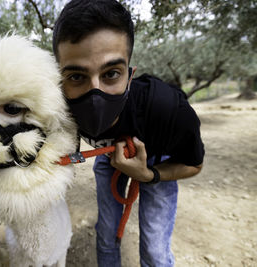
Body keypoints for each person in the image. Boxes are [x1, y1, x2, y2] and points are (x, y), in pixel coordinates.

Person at [52, 0, 204, 266]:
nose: (95, 92)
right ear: (58, 81)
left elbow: (194, 164)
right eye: (77, 76)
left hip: (158, 160)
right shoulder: (59, 108)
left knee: (155, 249)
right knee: (106, 233)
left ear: (130, 76)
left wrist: (148, 174)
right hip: (108, 158)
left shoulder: (169, 110)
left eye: (111, 73)